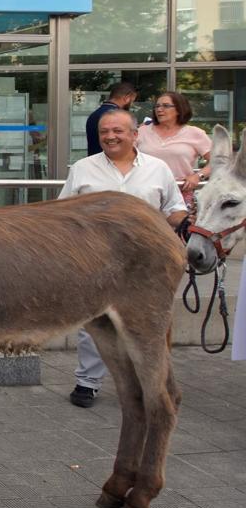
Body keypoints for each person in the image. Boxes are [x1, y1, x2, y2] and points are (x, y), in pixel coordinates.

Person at [60, 109, 187, 408]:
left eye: (117, 130)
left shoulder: (158, 169)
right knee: (94, 323)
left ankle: (150, 383)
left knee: (147, 325)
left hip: (144, 265)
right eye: (104, 132)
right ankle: (87, 382)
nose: (110, 136)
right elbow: (62, 213)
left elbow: (174, 209)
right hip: (94, 261)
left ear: (134, 134)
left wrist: (187, 225)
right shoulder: (82, 168)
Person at [136, 91, 211, 208]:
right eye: (157, 106)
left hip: (180, 193)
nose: (159, 109)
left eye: (166, 106)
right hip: (144, 192)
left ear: (179, 109)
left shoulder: (195, 133)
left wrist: (198, 176)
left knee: (178, 226)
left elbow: (218, 162)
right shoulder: (142, 132)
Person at [84, 81, 137, 157]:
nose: (132, 105)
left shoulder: (94, 114)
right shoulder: (117, 116)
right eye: (132, 101)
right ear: (127, 98)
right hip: (109, 162)